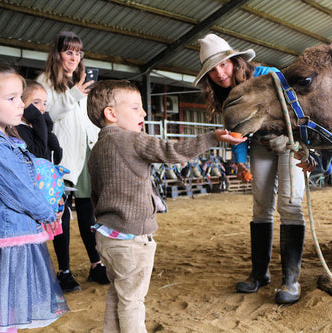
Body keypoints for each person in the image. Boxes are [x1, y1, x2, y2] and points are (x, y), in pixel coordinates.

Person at [86, 79, 246, 332]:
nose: (144, 113)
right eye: (136, 107)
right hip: (132, 239)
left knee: (118, 294)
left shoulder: (96, 150)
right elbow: (172, 151)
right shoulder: (132, 140)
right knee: (133, 301)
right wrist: (212, 137)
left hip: (106, 237)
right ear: (111, 114)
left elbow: (95, 193)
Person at [194, 34, 307, 304]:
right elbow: (236, 131)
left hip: (289, 143)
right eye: (211, 71)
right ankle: (260, 273)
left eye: (223, 65)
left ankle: (291, 280)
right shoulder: (225, 96)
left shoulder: (269, 75)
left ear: (235, 61)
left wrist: (290, 137)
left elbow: (296, 107)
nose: (219, 73)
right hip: (260, 146)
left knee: (290, 204)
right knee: (261, 206)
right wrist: (240, 159)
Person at [0, 61, 68, 332]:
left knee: (9, 304)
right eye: (11, 98)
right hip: (6, 239)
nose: (20, 105)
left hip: (10, 235)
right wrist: (49, 213)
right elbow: (21, 192)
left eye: (19, 98)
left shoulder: (4, 139)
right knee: (6, 305)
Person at [37, 31, 109, 292]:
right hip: (61, 158)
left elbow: (87, 120)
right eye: (69, 52)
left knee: (89, 211)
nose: (75, 57)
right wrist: (76, 94)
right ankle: (64, 270)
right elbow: (47, 117)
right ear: (57, 53)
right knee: (62, 215)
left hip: (85, 154)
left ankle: (96, 264)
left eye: (79, 53)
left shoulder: (81, 82)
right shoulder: (44, 82)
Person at [17, 80, 62, 164]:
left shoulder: (36, 127)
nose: (42, 108)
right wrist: (38, 120)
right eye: (36, 102)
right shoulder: (19, 129)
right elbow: (38, 154)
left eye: (44, 104)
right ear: (21, 102)